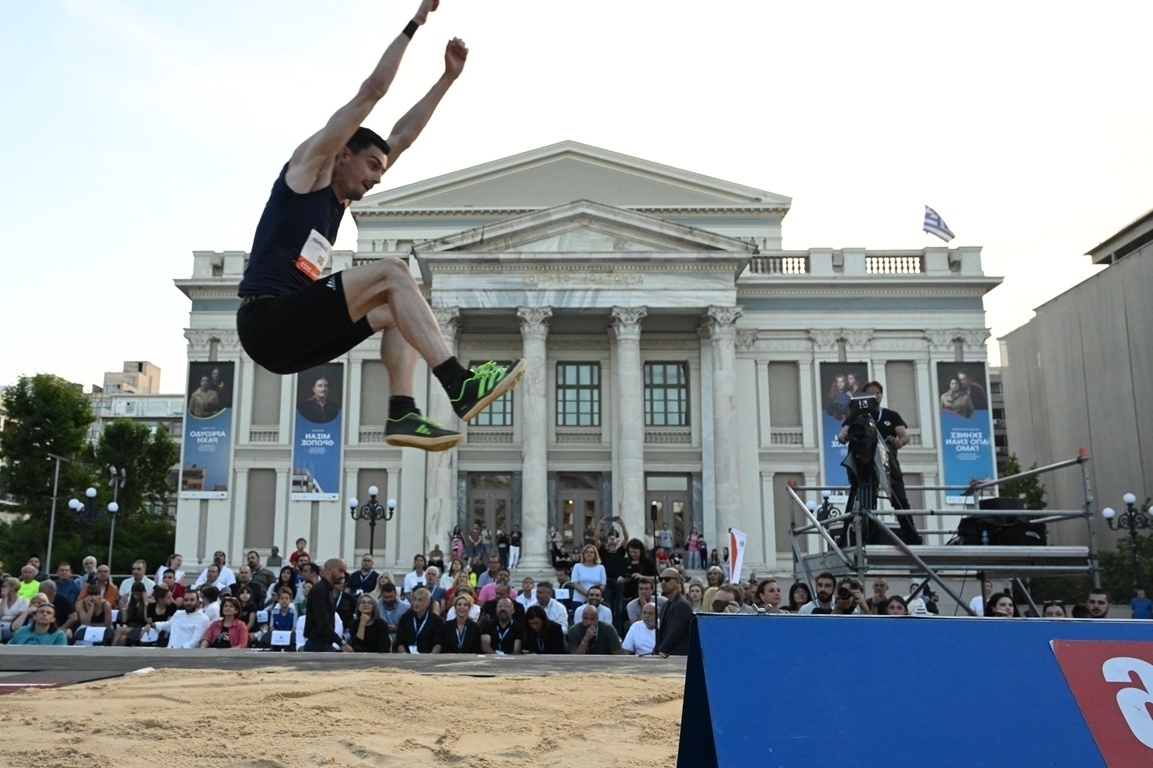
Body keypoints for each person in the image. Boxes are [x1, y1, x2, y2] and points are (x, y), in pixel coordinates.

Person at [234, 0, 523, 453]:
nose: (376, 178)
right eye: (371, 165)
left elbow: (402, 136)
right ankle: (458, 382)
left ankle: (402, 411)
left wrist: (446, 80)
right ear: (343, 154)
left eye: (382, 172)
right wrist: (416, 23)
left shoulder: (339, 201)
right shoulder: (307, 172)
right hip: (265, 322)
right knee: (393, 270)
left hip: (291, 344)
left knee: (398, 309)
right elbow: (371, 91)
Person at [836, 380, 921, 544]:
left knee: (900, 500)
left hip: (888, 464)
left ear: (881, 395)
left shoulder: (891, 415)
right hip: (864, 466)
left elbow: (904, 436)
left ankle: (911, 536)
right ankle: (870, 538)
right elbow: (843, 433)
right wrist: (842, 436)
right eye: (870, 393)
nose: (875, 396)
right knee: (867, 502)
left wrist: (899, 442)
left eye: (877, 393)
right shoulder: (857, 417)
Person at [303, 559, 353, 652]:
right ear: (329, 570)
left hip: (323, 644)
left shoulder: (326, 590)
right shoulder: (320, 590)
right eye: (340, 571)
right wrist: (342, 643)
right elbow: (323, 624)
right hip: (317, 646)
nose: (343, 576)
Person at [393, 586, 443, 653]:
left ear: (428, 602)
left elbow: (438, 643)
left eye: (420, 600)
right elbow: (399, 641)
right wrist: (404, 655)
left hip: (427, 657)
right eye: (414, 599)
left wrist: (431, 657)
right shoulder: (405, 618)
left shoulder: (436, 620)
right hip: (407, 656)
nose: (416, 603)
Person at [656, 569, 693, 656]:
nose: (663, 582)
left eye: (667, 579)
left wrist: (658, 652)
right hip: (667, 656)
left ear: (677, 582)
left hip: (678, 656)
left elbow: (674, 635)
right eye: (661, 579)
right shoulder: (666, 604)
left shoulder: (682, 605)